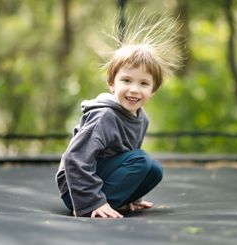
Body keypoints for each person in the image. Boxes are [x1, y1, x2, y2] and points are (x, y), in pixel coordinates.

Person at [55, 13, 184, 218]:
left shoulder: (142, 119)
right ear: (112, 83)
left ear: (153, 91)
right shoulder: (104, 116)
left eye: (143, 83)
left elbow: (125, 158)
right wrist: (90, 200)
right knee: (142, 160)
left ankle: (118, 202)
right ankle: (95, 206)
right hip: (76, 189)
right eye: (126, 80)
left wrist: (130, 194)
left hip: (102, 177)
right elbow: (74, 158)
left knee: (154, 170)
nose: (134, 89)